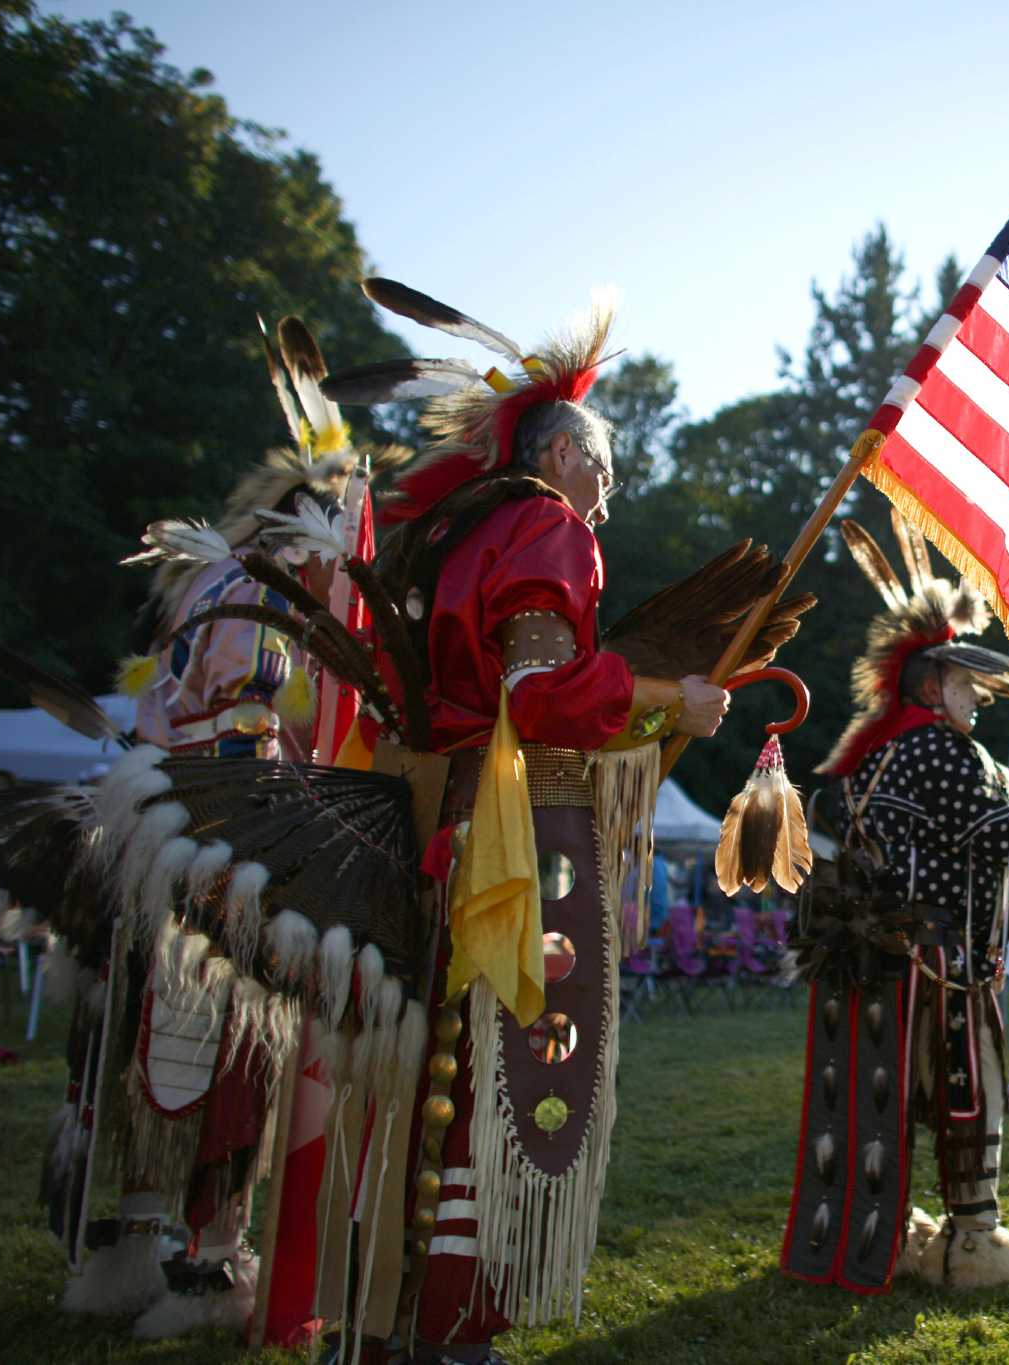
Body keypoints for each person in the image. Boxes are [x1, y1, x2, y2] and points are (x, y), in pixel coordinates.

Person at [319, 280, 735, 1364]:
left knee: (435, 1068)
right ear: (559, 456)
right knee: (507, 1074)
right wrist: (665, 700)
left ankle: (387, 1319)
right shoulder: (547, 528)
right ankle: (457, 1326)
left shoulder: (472, 537)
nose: (613, 486)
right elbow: (541, 696)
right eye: (605, 461)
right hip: (521, 839)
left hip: (449, 817)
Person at [52, 318, 365, 1339]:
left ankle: (128, 1254)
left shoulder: (206, 583)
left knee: (150, 1047)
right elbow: (243, 737)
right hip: (215, 849)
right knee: (228, 1057)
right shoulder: (262, 608)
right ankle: (206, 1267)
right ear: (311, 538)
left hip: (150, 839)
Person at [780, 509, 1009, 1292]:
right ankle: (972, 1240)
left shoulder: (886, 751)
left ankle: (882, 1229)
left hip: (877, 962)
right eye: (967, 683)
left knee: (879, 1102)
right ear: (932, 683)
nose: (978, 699)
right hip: (937, 964)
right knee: (970, 1096)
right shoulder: (943, 750)